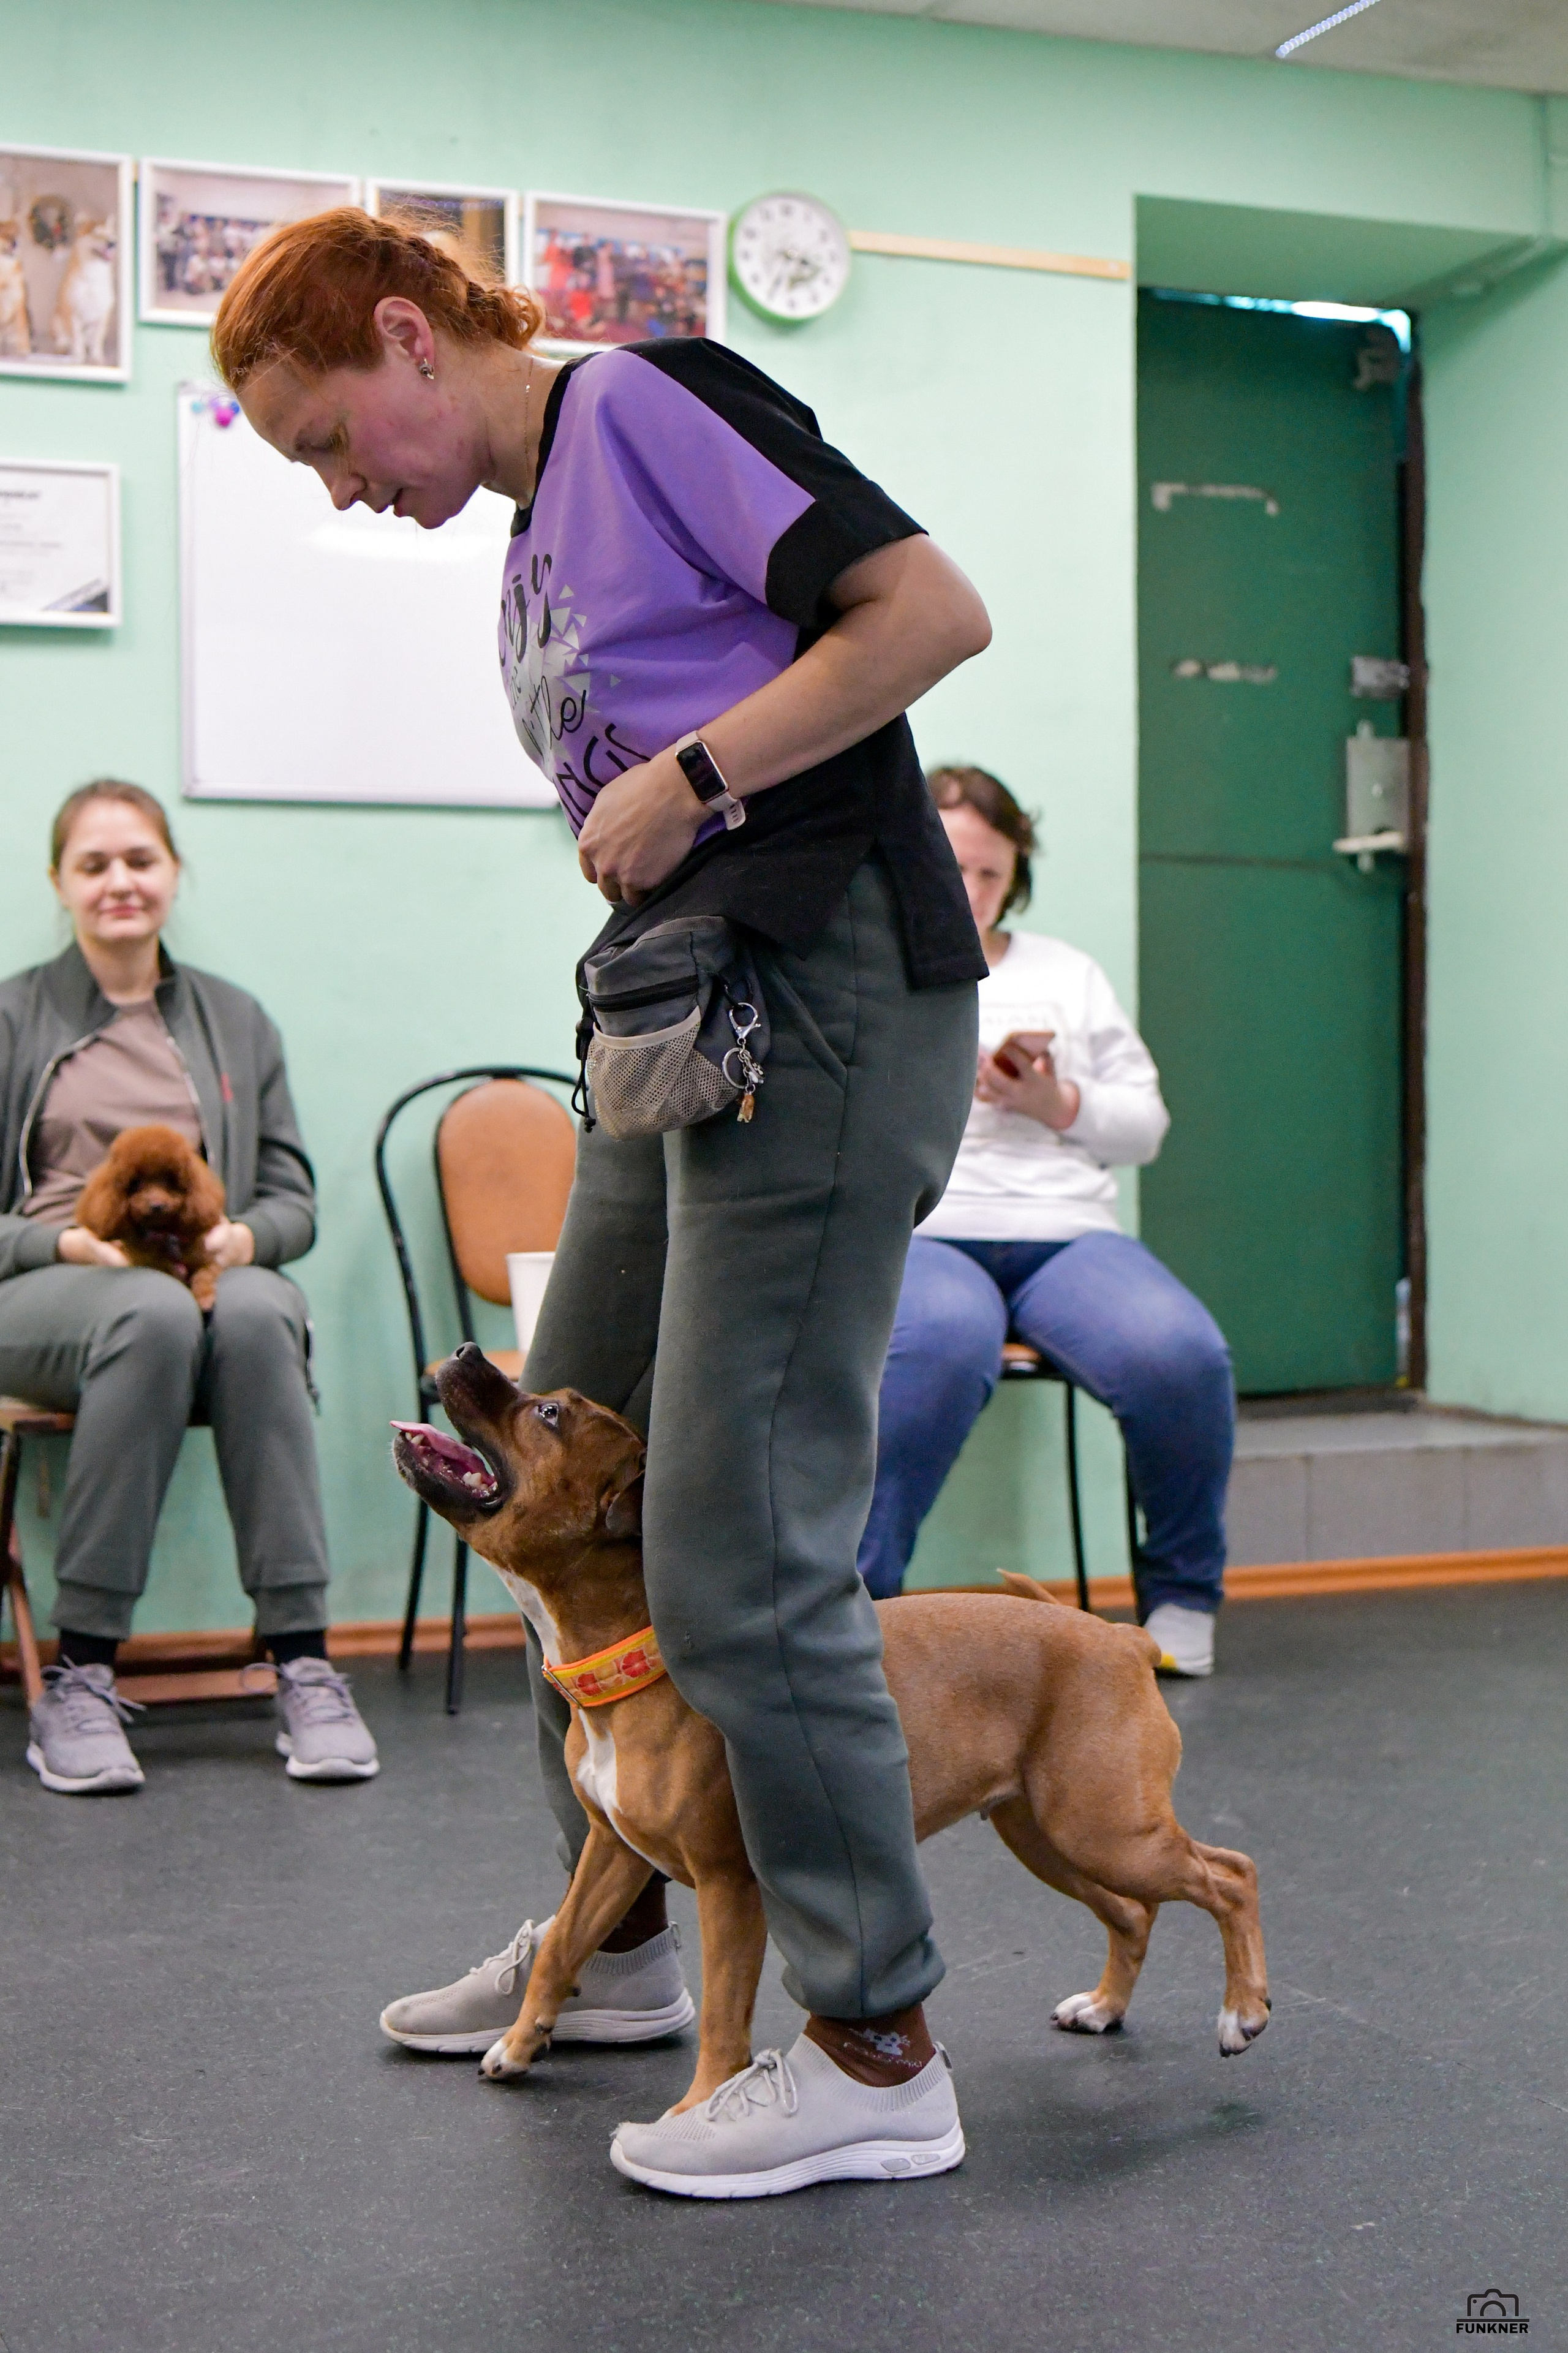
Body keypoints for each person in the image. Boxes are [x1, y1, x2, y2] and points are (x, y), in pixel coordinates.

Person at [215, 208, 990, 2198]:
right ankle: (627, 1939)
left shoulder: (649, 401)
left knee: (731, 1535)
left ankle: (871, 2035)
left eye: (329, 438)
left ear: (406, 332)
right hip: (682, 1024)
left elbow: (924, 615)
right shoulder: (531, 520)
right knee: (554, 1456)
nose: (344, 488)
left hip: (823, 999)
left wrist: (699, 779)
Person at [0, 781, 379, 1794]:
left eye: (140, 859)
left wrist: (244, 1236)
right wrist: (63, 1252)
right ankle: (81, 1673)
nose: (120, 880)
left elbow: (291, 1198)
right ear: (60, 884)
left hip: (199, 1275)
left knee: (257, 1309)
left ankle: (302, 1657)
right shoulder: (15, 1013)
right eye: (94, 864)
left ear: (173, 874)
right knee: (153, 1306)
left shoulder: (235, 1020)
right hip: (40, 1288)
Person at [858, 765, 1233, 1677]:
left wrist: (1055, 1099)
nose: (971, 890)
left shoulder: (1068, 973)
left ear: (1014, 875)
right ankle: (855, 1605)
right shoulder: (873, 965)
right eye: (952, 867)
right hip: (932, 1227)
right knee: (937, 1344)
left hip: (1067, 1234)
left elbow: (1145, 1125)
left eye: (990, 873)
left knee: (1179, 1352)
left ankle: (1182, 1600)